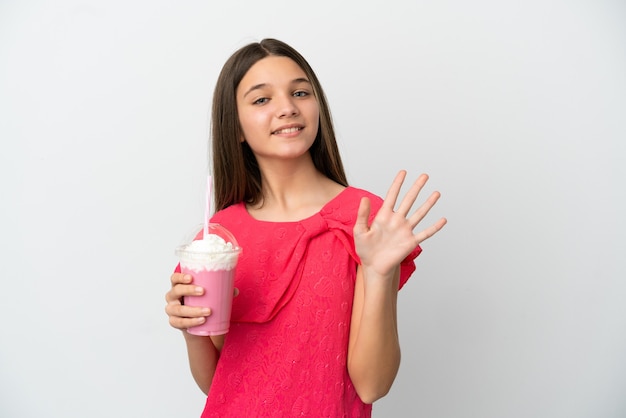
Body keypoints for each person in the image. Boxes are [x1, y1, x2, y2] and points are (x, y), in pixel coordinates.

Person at [165, 38, 447, 417]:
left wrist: (379, 272)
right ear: (237, 129)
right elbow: (217, 384)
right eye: (261, 99)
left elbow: (372, 384)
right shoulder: (218, 237)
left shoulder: (361, 220)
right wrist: (190, 329)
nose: (287, 108)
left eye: (300, 92)